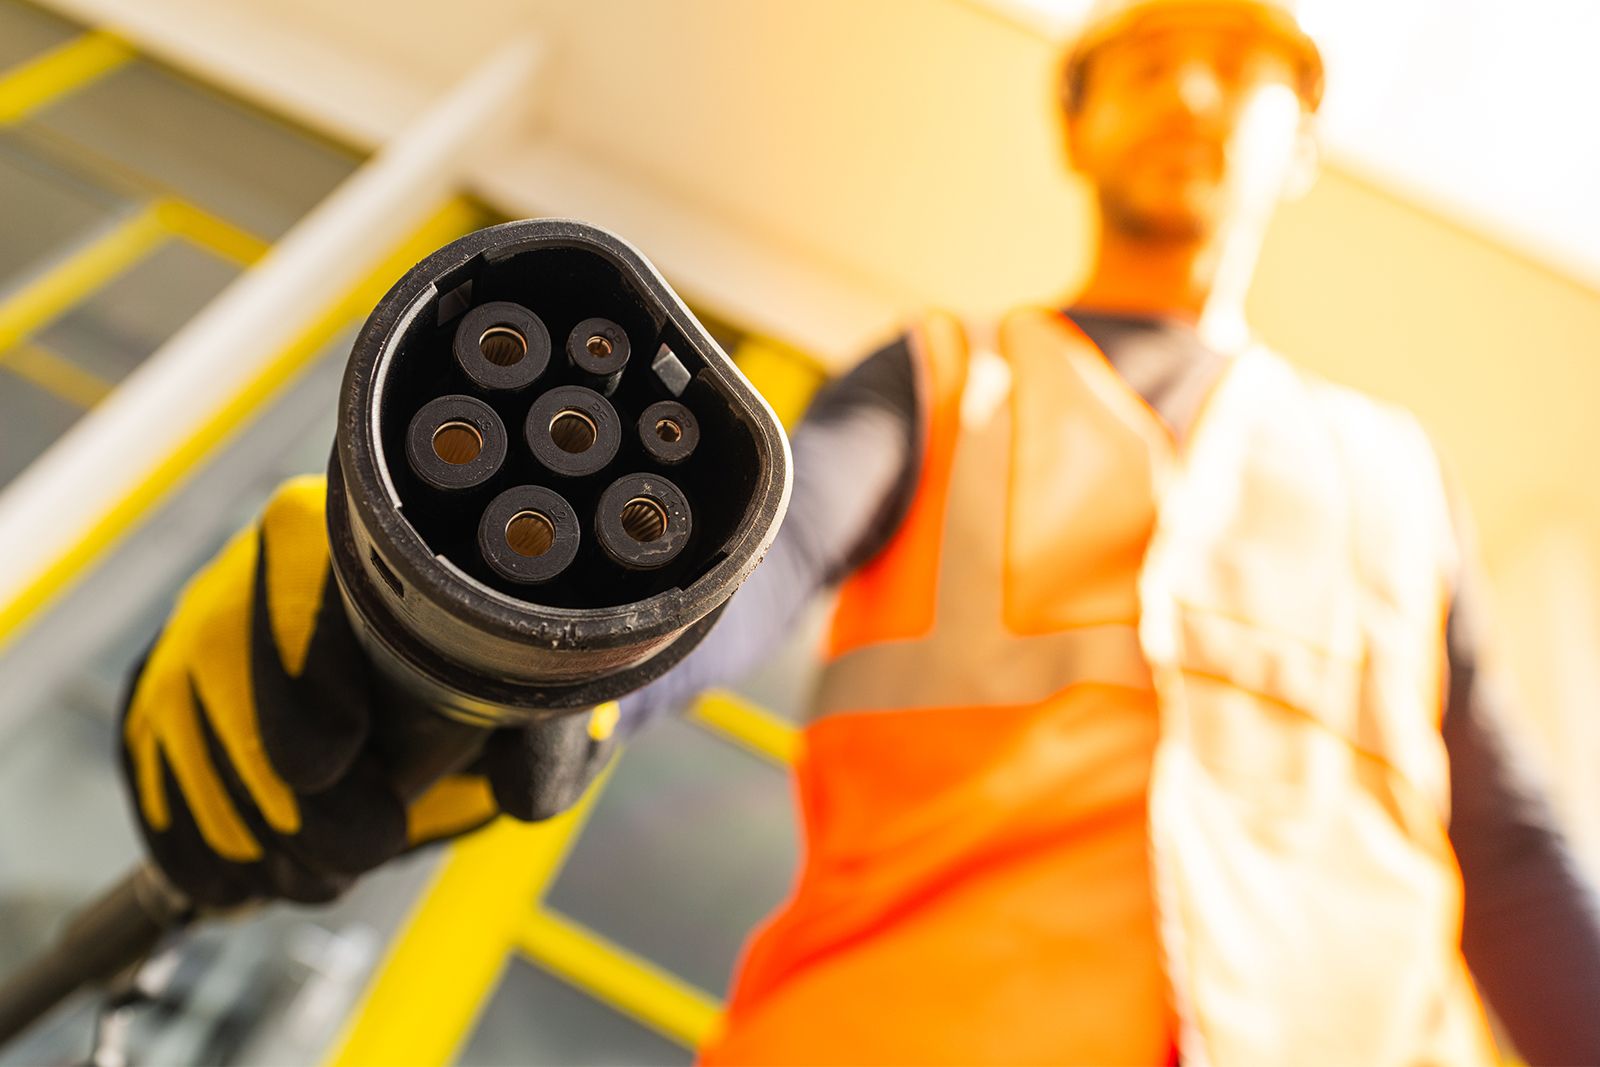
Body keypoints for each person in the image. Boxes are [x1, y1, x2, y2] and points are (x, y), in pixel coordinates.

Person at [119, 1, 1600, 1063]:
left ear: (1304, 143)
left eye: (1234, 65)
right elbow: (764, 555)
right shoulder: (947, 376)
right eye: (1148, 63)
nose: (1191, 95)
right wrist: (512, 667)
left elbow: (1511, 846)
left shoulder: (1396, 477)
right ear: (1079, 125)